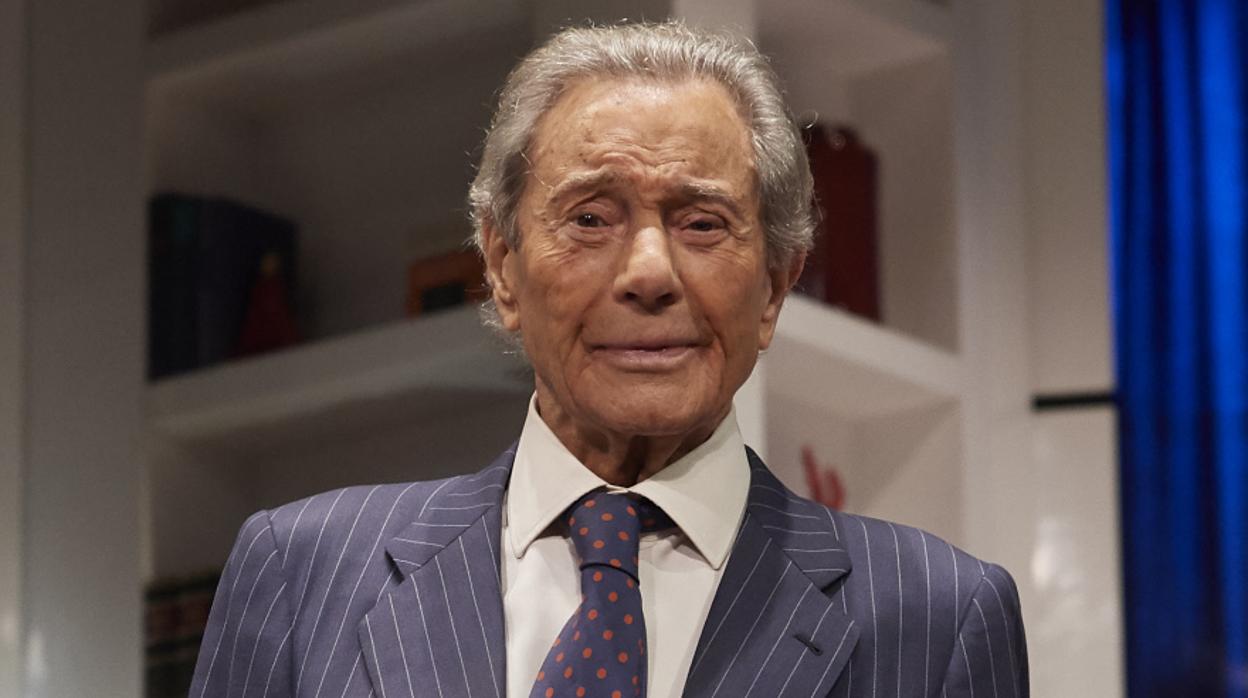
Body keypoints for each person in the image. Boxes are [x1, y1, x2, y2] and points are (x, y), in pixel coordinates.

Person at [190, 22, 1028, 698]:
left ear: (775, 286)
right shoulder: (304, 573)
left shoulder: (937, 617)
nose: (649, 273)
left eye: (702, 223)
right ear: (502, 267)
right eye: (591, 218)